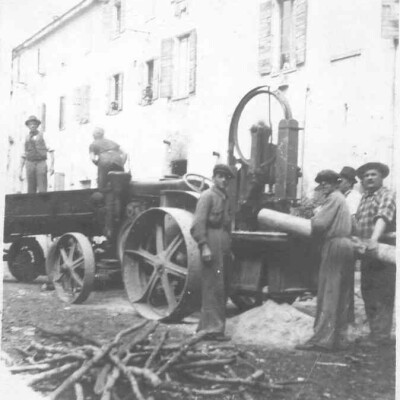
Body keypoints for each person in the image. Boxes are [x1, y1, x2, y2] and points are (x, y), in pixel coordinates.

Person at [296, 170, 354, 352]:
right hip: (346, 245)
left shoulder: (333, 198)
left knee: (329, 292)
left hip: (335, 245)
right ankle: (339, 339)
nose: (323, 186)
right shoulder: (341, 198)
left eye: (327, 183)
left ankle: (322, 339)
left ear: (335, 183)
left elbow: (319, 224)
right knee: (342, 294)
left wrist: (313, 216)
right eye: (321, 183)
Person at [354, 162, 396, 347]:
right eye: (366, 176)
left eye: (373, 174)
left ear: (381, 177)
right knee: (368, 292)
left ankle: (381, 337)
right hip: (367, 252)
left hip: (382, 250)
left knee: (383, 293)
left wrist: (374, 239)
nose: (369, 178)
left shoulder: (387, 194)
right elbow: (358, 222)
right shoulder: (364, 198)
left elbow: (383, 217)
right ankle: (374, 333)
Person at [190, 164, 234, 341]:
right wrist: (204, 246)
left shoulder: (224, 197)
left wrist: (229, 249)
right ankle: (212, 330)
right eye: (221, 176)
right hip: (211, 242)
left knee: (222, 287)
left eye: (226, 177)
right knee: (212, 286)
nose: (224, 180)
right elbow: (197, 225)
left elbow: (227, 225)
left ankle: (209, 326)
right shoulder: (207, 196)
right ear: (214, 177)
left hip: (222, 243)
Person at [338, 166, 362, 324]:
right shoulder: (344, 196)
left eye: (341, 181)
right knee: (342, 278)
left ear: (349, 183)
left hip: (348, 240)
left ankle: (346, 317)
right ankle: (345, 315)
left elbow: (352, 220)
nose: (338, 184)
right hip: (344, 240)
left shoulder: (353, 197)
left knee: (345, 279)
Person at [19, 115, 54, 193]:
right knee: (30, 189)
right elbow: (23, 155)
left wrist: (52, 166)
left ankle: (43, 204)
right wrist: (20, 171)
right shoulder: (25, 138)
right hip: (29, 163)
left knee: (42, 188)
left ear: (37, 125)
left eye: (34, 124)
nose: (32, 126)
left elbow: (51, 151)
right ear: (28, 126)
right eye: (30, 124)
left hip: (41, 163)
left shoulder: (44, 135)